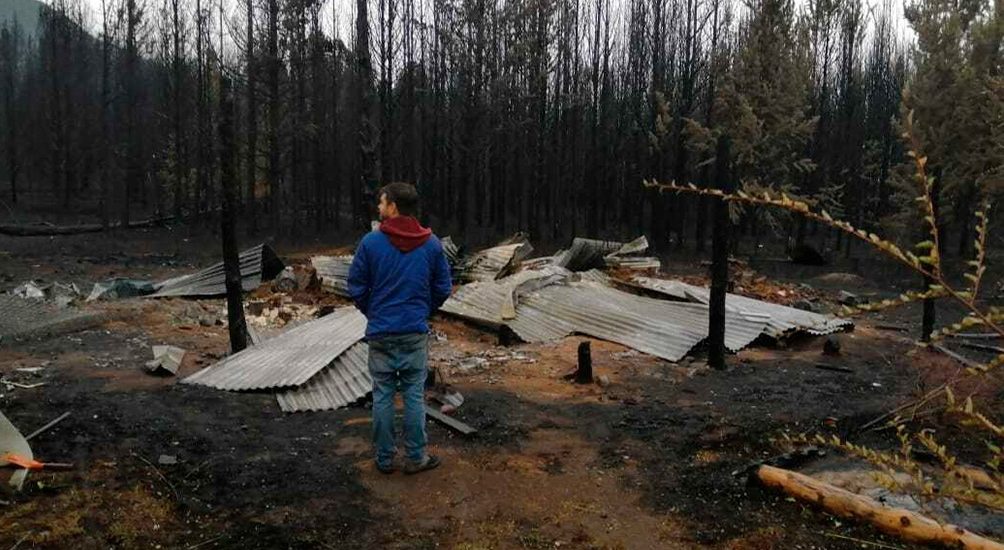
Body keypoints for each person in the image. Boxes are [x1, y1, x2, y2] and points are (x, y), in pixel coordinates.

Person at [347, 182, 453, 475]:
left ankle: (384, 460)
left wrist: (373, 310)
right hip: (413, 332)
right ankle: (416, 458)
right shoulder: (431, 244)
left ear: (393, 206)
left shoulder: (371, 242)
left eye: (382, 203)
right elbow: (443, 287)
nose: (378, 209)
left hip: (381, 332)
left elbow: (355, 286)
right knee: (414, 396)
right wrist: (423, 310)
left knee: (381, 395)